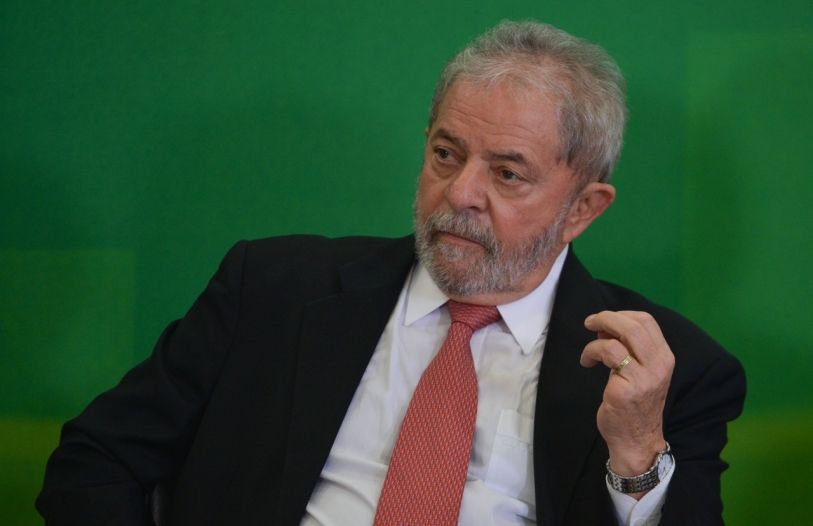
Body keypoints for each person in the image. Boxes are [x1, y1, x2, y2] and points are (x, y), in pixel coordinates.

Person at [37, 20, 745, 526]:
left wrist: (636, 456)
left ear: (582, 208)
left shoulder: (664, 374)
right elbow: (95, 462)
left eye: (507, 173)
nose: (460, 192)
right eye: (446, 154)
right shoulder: (273, 289)